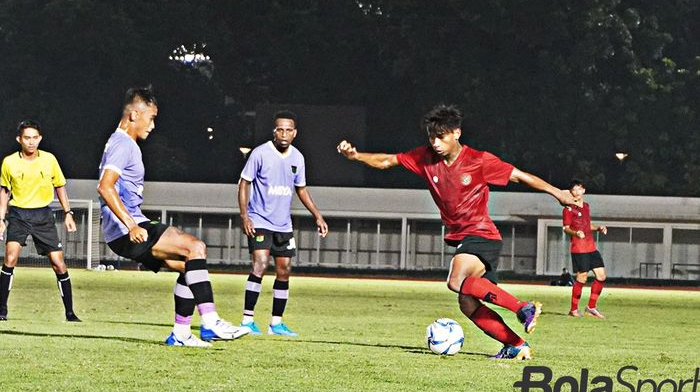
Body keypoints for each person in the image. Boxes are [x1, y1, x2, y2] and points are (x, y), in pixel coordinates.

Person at [337, 104, 575, 360]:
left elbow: (520, 176)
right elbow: (388, 160)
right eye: (432, 137)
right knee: (467, 301)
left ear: (457, 133)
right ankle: (516, 344)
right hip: (465, 237)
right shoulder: (425, 158)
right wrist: (356, 156)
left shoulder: (478, 161)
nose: (436, 143)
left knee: (455, 280)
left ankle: (523, 308)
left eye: (441, 137)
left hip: (482, 234)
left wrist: (558, 193)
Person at [97, 86, 249, 347]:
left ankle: (180, 333)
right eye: (152, 117)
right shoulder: (123, 144)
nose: (153, 125)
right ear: (135, 114)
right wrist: (132, 224)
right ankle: (210, 321)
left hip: (122, 230)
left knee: (189, 266)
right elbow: (105, 186)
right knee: (195, 246)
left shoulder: (121, 142)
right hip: (127, 229)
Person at [238, 110, 328, 336]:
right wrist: (245, 216)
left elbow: (302, 189)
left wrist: (317, 215)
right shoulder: (260, 154)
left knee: (284, 270)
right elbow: (243, 184)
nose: (284, 133)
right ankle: (247, 320)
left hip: (283, 224)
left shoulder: (298, 158)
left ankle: (275, 323)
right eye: (280, 129)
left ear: (295, 133)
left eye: (289, 129)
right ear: (274, 131)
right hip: (259, 219)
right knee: (260, 263)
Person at [0, 120, 81, 322]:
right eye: (27, 138)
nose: (31, 142)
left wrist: (68, 212)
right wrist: (1, 219)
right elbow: (4, 192)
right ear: (19, 139)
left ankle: (70, 313)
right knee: (10, 259)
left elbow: (60, 186)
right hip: (18, 215)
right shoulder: (9, 162)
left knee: (59, 264)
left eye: (35, 137)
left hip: (43, 216)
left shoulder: (49, 160)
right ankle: (2, 310)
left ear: (40, 139)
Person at [563, 179, 608, 318]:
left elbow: (587, 226)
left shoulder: (586, 206)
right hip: (579, 249)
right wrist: (576, 233)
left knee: (601, 276)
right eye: (573, 190)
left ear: (583, 190)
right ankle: (573, 309)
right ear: (571, 192)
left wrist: (598, 228)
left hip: (591, 247)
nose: (576, 192)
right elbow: (566, 228)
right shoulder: (568, 209)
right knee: (581, 279)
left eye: (579, 189)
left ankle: (591, 308)